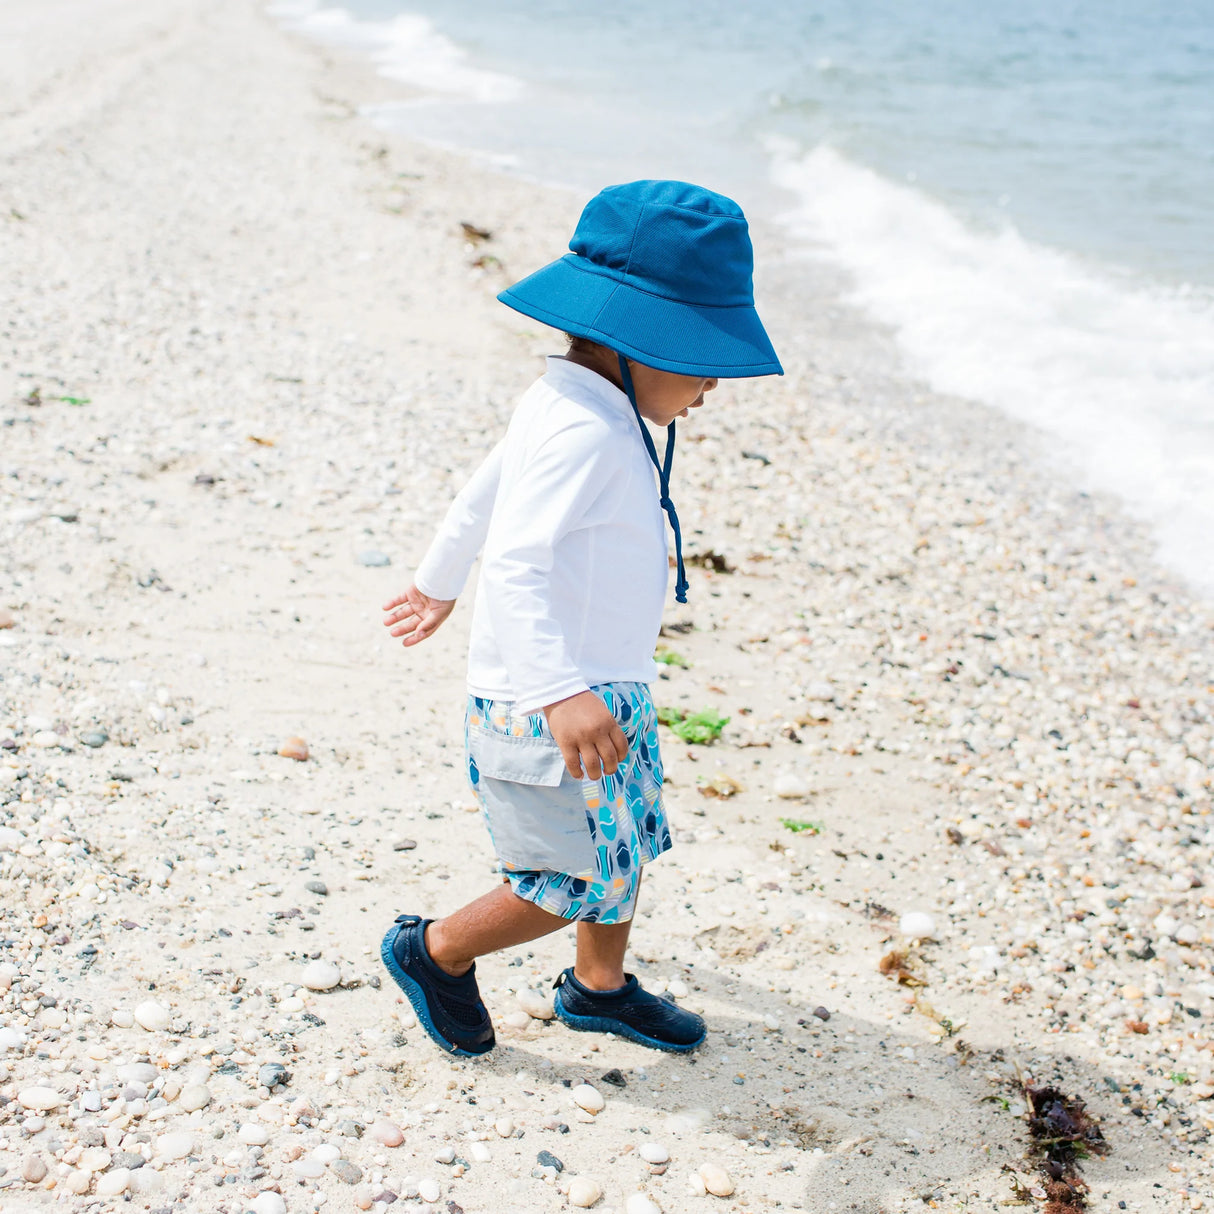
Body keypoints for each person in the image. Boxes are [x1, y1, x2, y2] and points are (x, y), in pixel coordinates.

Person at [378, 179, 782, 1057]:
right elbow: (518, 560)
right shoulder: (585, 430)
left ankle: (598, 988)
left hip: (604, 682)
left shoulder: (577, 399)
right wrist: (562, 691)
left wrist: (437, 576)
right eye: (703, 354)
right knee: (561, 875)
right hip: (545, 700)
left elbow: (485, 488)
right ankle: (436, 952)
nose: (715, 379)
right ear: (642, 340)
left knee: (625, 844)